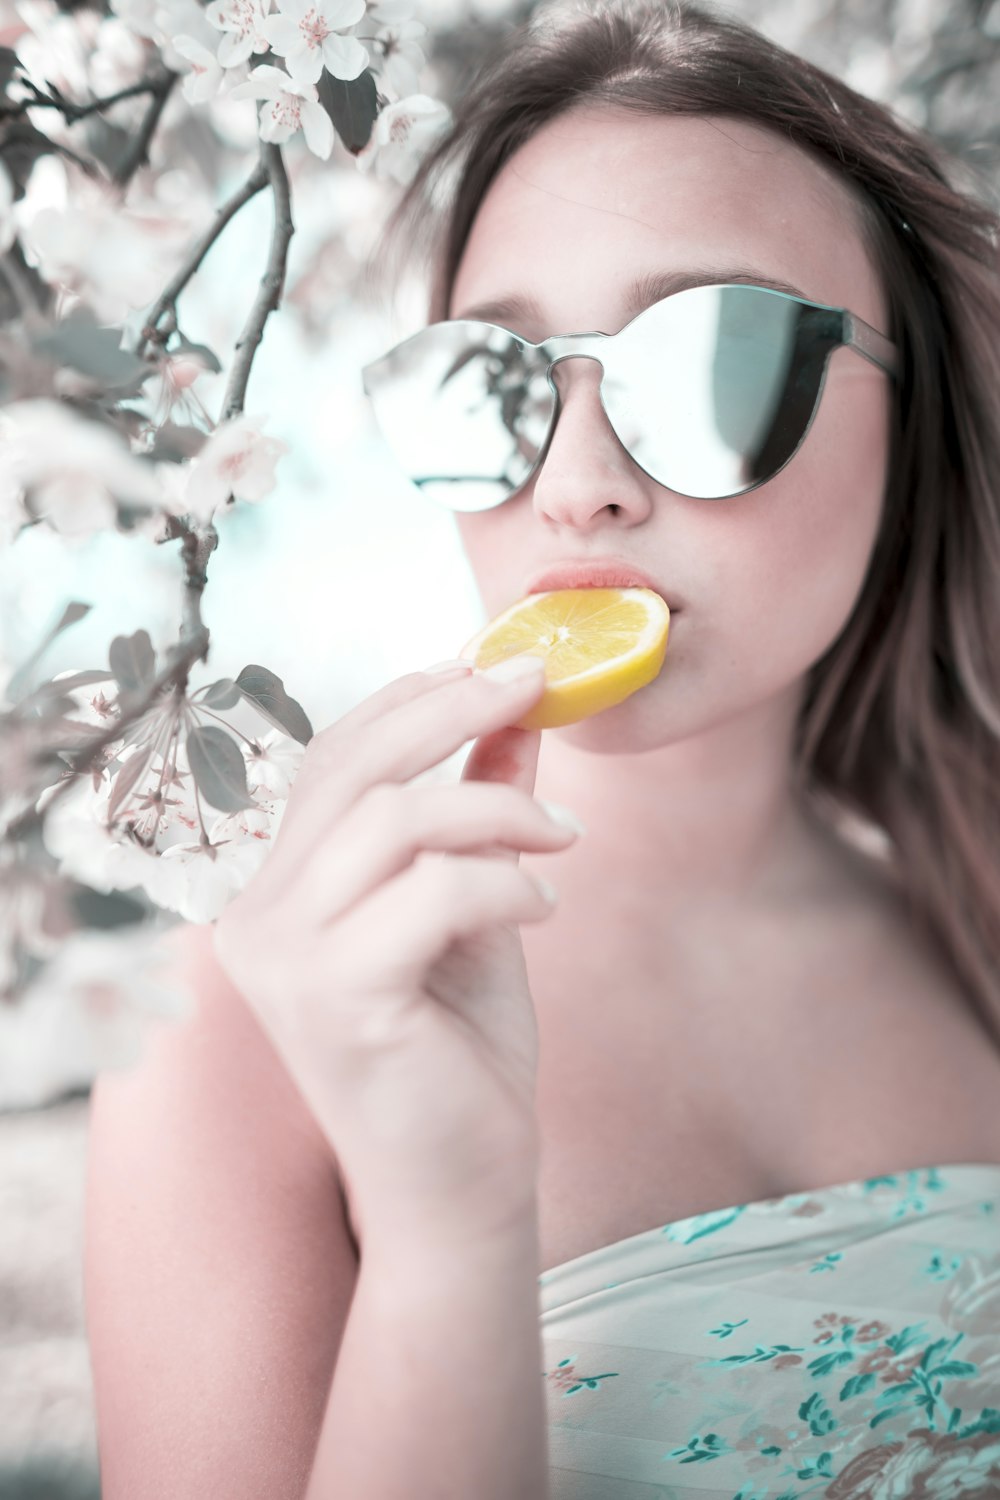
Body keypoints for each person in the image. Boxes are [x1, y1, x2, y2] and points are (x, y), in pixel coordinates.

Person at [83, 1, 1000, 1495]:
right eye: (490, 382)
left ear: (920, 417)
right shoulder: (247, 1025)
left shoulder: (978, 920)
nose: (576, 488)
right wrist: (449, 1232)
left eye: (718, 357)